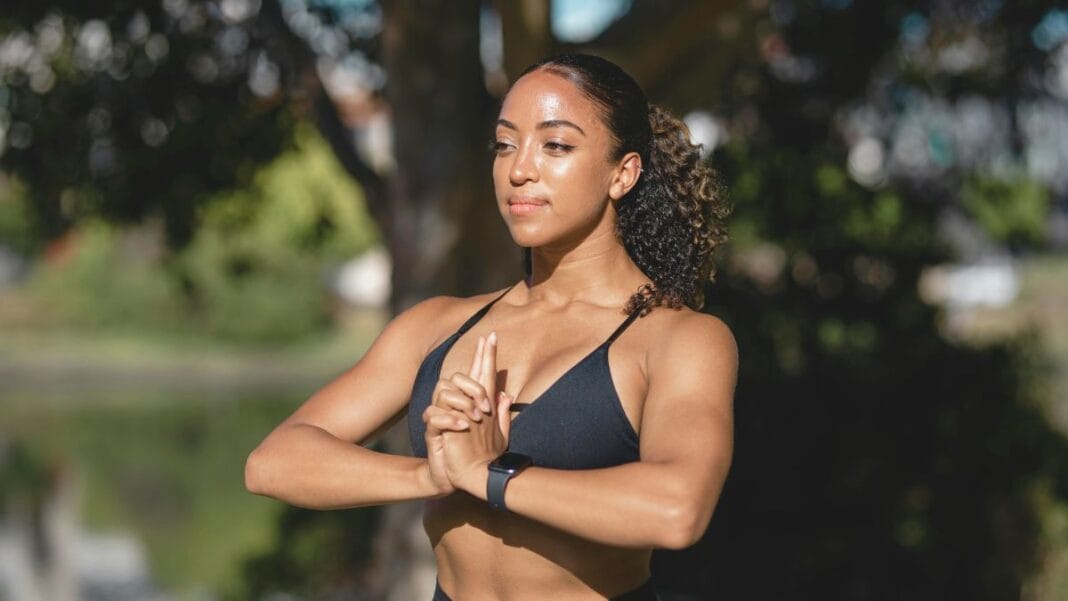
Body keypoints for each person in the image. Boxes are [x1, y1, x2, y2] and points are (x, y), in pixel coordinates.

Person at [245, 53, 737, 601]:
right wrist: (431, 475)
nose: (518, 169)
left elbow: (677, 509)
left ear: (622, 173)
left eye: (556, 145)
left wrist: (490, 475)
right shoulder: (436, 325)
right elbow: (274, 462)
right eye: (505, 144)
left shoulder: (677, 338)